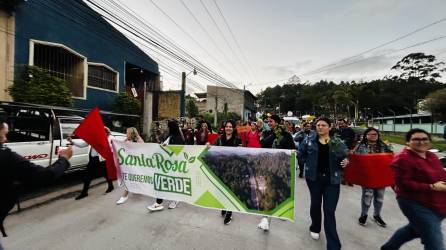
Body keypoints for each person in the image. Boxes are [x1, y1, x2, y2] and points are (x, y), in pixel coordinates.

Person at [0, 120, 73, 239]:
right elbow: (43, 176)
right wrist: (64, 159)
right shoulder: (6, 156)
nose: (5, 139)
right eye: (3, 134)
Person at [381, 129, 446, 250]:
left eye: (425, 139)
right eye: (416, 139)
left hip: (436, 202)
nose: (421, 142)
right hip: (414, 203)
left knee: (413, 230)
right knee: (434, 241)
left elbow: (441, 175)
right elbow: (403, 184)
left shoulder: (431, 156)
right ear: (407, 142)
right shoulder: (403, 159)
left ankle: (389, 248)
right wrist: (431, 186)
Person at [298, 118, 348, 250]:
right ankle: (315, 226)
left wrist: (345, 162)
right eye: (318, 125)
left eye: (323, 125)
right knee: (315, 204)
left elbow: (344, 156)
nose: (320, 127)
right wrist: (307, 164)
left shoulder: (337, 142)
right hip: (314, 179)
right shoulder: (309, 140)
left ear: (330, 127)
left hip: (332, 180)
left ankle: (333, 245)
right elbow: (300, 154)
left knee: (329, 210)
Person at [257, 114, 295, 231]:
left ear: (278, 122)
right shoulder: (268, 133)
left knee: (280, 190)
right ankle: (265, 219)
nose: (269, 123)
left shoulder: (287, 135)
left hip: (282, 167)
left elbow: (292, 148)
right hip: (269, 166)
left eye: (272, 121)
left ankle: (281, 211)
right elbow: (263, 143)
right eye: (268, 122)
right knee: (267, 191)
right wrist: (274, 133)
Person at [354, 128, 392, 227]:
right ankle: (364, 214)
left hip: (381, 175)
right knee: (367, 195)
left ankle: (377, 215)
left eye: (375, 134)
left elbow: (391, 158)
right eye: (370, 134)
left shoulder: (384, 146)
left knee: (379, 197)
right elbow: (355, 159)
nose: (372, 136)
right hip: (367, 176)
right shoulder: (360, 146)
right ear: (366, 136)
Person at [147, 120, 185, 211]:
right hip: (165, 164)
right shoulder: (170, 136)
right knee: (161, 182)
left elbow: (177, 153)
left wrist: (166, 148)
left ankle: (175, 199)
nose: (167, 128)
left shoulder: (178, 138)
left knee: (173, 183)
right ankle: (158, 203)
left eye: (169, 126)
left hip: (173, 165)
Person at [68, 127, 114, 200]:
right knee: (88, 176)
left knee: (106, 174)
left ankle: (111, 186)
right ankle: (84, 192)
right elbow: (82, 145)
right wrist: (72, 141)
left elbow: (109, 146)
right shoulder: (93, 138)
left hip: (101, 160)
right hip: (93, 160)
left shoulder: (109, 138)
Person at [214, 120, 241, 225]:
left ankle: (229, 212)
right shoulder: (220, 139)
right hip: (222, 168)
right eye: (227, 126)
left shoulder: (237, 139)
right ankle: (225, 206)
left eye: (230, 126)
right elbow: (213, 148)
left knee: (231, 191)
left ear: (233, 128)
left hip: (233, 170)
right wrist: (208, 146)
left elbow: (241, 154)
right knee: (223, 190)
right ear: (224, 128)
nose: (228, 128)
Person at [116, 127, 144, 205]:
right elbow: (120, 146)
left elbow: (143, 150)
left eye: (127, 133)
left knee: (131, 178)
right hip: (129, 163)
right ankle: (126, 195)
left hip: (136, 164)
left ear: (131, 133)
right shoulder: (127, 140)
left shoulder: (139, 140)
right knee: (129, 178)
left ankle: (124, 196)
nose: (126, 134)